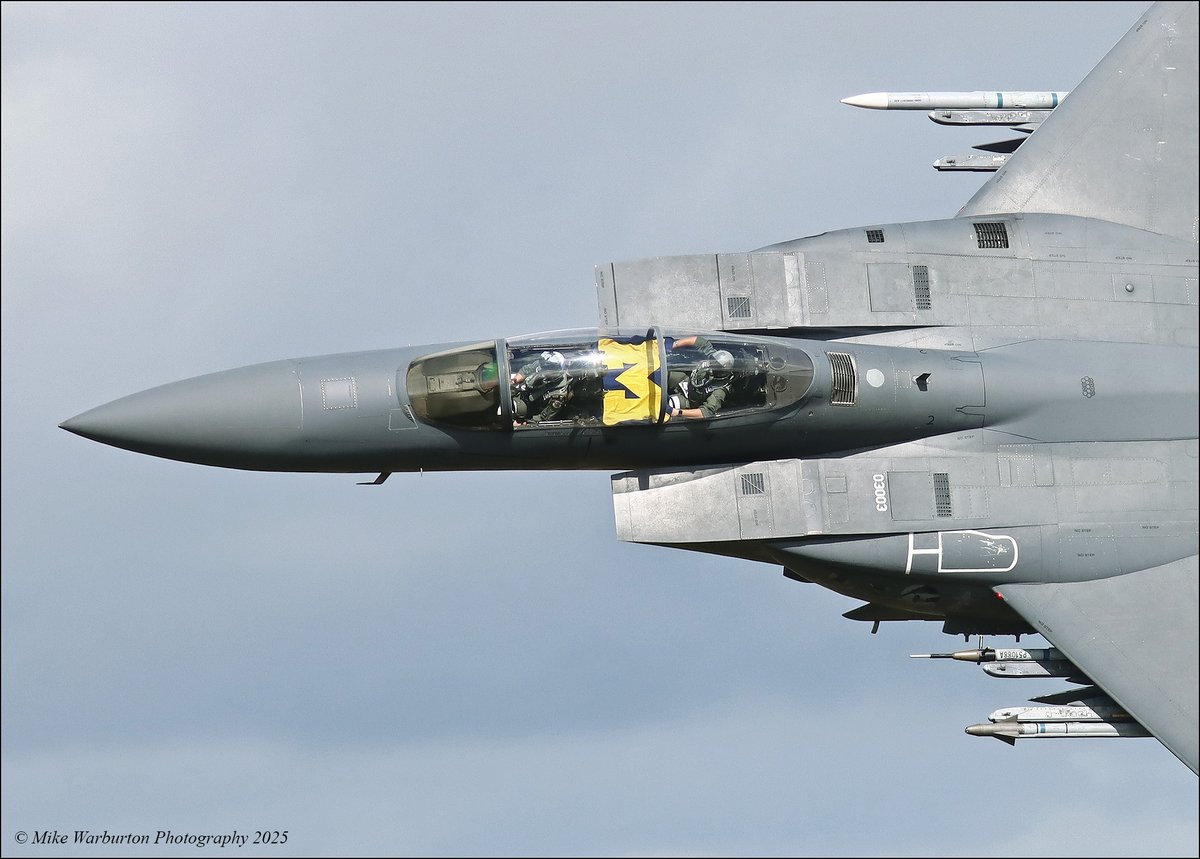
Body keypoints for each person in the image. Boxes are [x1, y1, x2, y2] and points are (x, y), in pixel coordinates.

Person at [666, 336, 735, 420]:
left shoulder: (720, 389)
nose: (712, 365)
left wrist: (677, 412)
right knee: (661, 374)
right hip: (687, 381)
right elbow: (698, 341)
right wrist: (673, 345)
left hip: (689, 400)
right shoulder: (713, 356)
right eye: (713, 361)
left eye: (716, 366)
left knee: (667, 404)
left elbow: (706, 412)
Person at [511, 350, 573, 425]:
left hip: (530, 410)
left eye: (549, 368)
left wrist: (521, 423)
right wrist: (513, 381)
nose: (544, 369)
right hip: (522, 392)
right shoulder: (543, 364)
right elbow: (526, 370)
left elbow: (542, 419)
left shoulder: (558, 396)